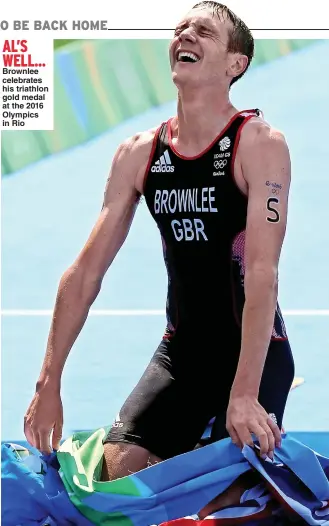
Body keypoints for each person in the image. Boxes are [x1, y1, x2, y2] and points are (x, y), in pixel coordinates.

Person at [24, 0, 294, 504]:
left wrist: (244, 393)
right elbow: (85, 273)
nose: (186, 35)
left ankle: (222, 446)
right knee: (114, 490)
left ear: (236, 63)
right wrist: (48, 383)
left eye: (204, 32)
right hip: (181, 355)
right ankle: (191, 441)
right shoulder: (139, 154)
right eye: (181, 28)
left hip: (254, 356)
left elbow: (262, 274)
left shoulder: (258, 144)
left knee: (220, 506)